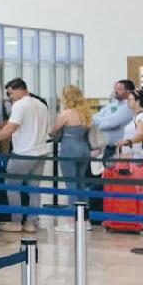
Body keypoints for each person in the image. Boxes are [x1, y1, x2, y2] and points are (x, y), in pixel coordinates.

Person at [0, 78, 51, 233]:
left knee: (11, 186)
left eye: (10, 93)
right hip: (41, 152)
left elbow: (10, 129)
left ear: (18, 89)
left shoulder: (20, 105)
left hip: (23, 152)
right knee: (34, 189)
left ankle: (16, 222)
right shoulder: (41, 105)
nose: (10, 97)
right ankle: (31, 223)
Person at [49, 85, 94, 232]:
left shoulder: (65, 114)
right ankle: (85, 221)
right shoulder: (86, 113)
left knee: (70, 185)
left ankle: (70, 221)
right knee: (81, 184)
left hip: (69, 148)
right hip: (84, 149)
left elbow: (53, 131)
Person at [91, 80, 135, 152]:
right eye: (115, 89)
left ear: (128, 92)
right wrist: (106, 119)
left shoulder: (129, 107)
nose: (115, 91)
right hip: (106, 146)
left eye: (119, 89)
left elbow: (110, 124)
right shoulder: (113, 104)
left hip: (121, 148)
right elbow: (94, 117)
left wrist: (100, 121)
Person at [117, 89, 143, 159]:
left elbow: (142, 134)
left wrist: (127, 142)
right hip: (136, 156)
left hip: (141, 157)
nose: (128, 102)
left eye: (130, 100)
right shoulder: (141, 115)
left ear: (138, 102)